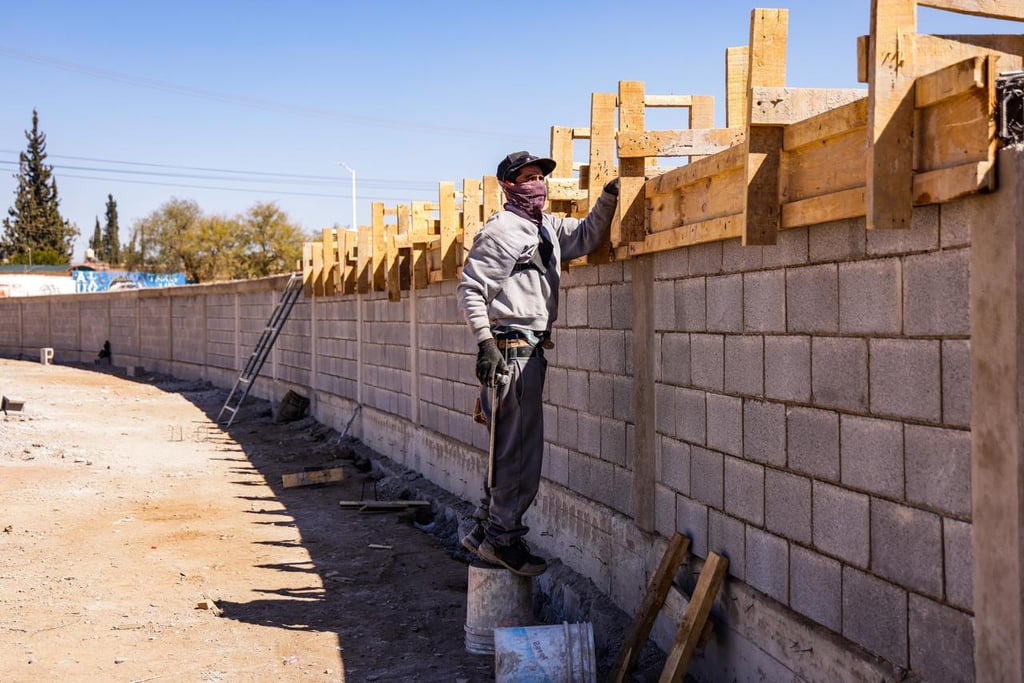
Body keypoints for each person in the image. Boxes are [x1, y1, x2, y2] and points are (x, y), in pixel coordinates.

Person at [456, 150, 619, 576]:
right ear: (508, 186)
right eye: (526, 178)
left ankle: (482, 530)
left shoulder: (543, 225)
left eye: (540, 176)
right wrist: (485, 343)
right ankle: (502, 539)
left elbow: (583, 237)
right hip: (511, 351)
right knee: (519, 453)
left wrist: (609, 197)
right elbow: (471, 289)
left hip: (525, 349)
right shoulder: (503, 231)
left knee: (505, 448)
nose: (537, 184)